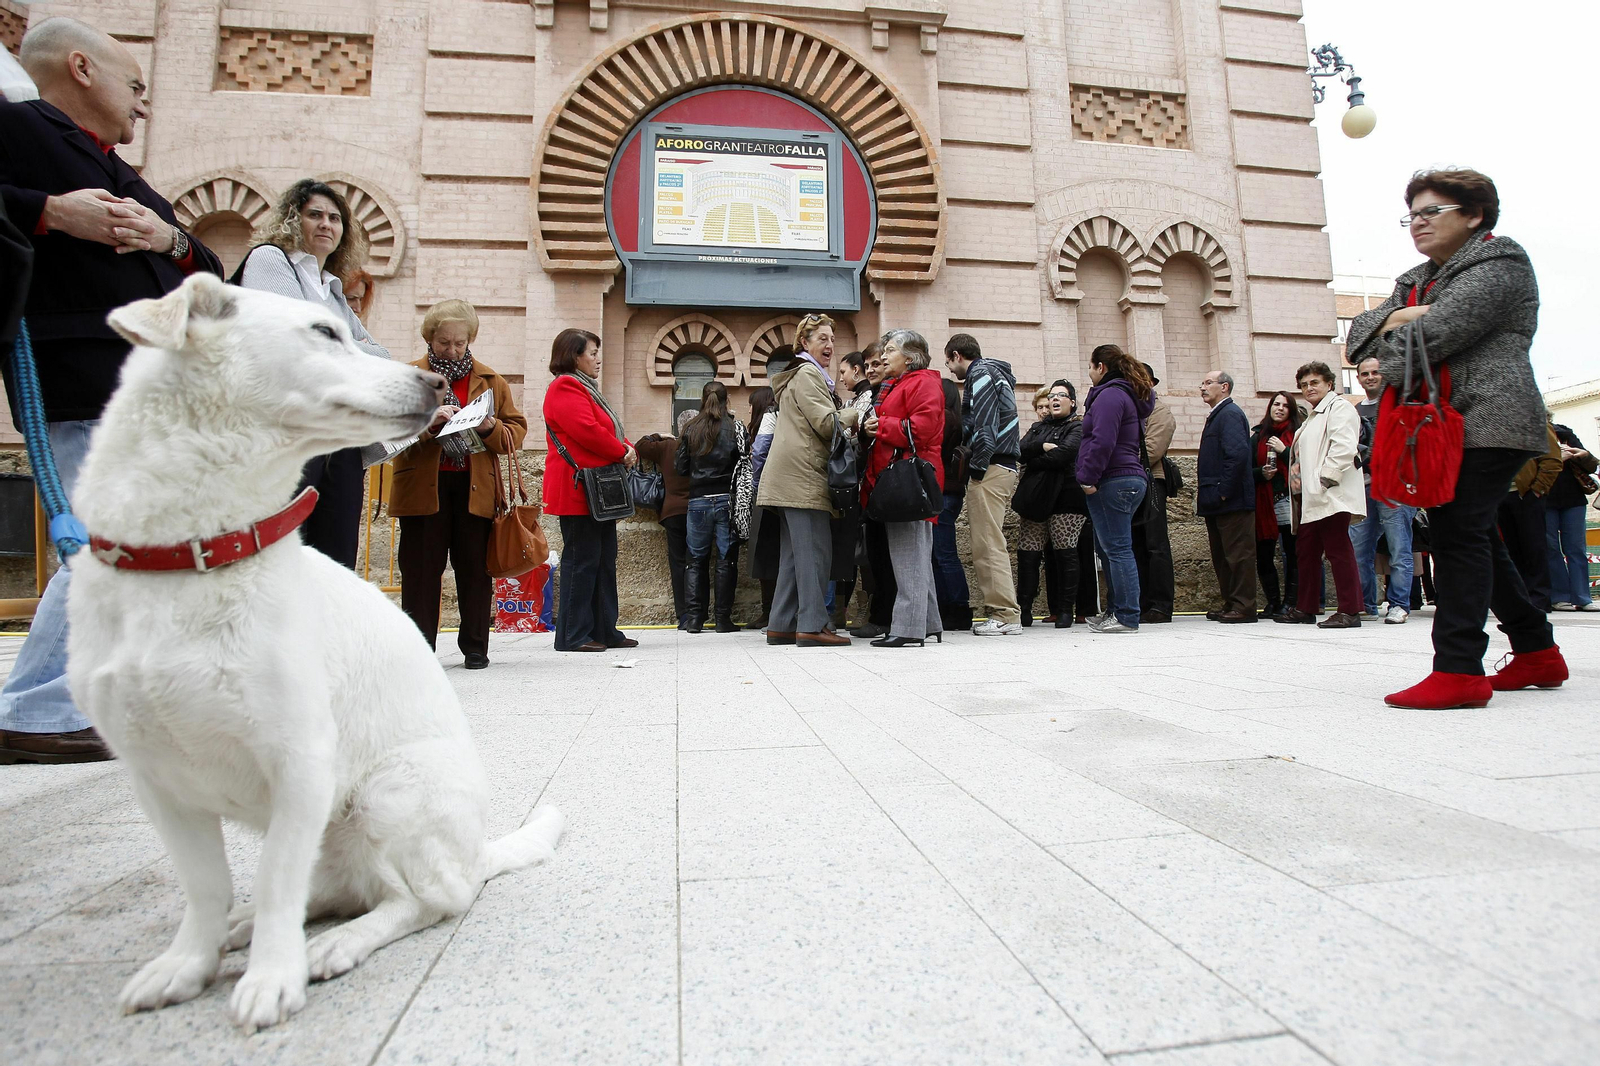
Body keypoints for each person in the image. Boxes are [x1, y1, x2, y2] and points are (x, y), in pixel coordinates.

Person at [0, 17, 224, 764]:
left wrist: (164, 239)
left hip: (141, 383)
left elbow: (206, 268)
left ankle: (83, 699)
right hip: (77, 373)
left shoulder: (119, 169)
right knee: (108, 540)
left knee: (133, 540)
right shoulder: (21, 131)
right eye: (136, 85)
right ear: (81, 69)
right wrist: (48, 212)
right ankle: (34, 708)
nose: (142, 104)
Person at [1347, 167, 1564, 708]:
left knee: (1459, 535)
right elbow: (1357, 341)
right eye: (1412, 214)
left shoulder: (1502, 261)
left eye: (1431, 212)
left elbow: (1436, 333)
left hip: (1491, 418)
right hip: (1440, 422)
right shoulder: (1415, 278)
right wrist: (1408, 318)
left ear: (1473, 215)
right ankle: (1537, 652)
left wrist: (1399, 327)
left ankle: (1459, 669)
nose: (1417, 223)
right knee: (1472, 534)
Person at [238, 178, 390, 569]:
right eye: (315, 215)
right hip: (288, 434)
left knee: (335, 561)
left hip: (338, 439)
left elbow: (383, 357)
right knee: (279, 554)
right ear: (293, 219)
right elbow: (294, 339)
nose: (326, 224)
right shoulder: (271, 260)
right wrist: (345, 351)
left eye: (335, 218)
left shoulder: (333, 289)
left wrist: (334, 346)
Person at [389, 300, 527, 669]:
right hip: (423, 488)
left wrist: (488, 426)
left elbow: (517, 431)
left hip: (474, 487)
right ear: (429, 339)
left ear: (470, 341)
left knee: (474, 571)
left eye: (459, 343)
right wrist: (427, 422)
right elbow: (388, 430)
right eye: (443, 342)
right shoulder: (408, 376)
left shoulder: (491, 380)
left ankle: (476, 648)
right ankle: (419, 651)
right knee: (420, 573)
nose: (451, 350)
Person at [755, 313, 859, 647]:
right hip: (802, 478)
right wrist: (859, 411)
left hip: (790, 477)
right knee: (815, 552)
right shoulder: (809, 374)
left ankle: (782, 625)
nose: (829, 345)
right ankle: (812, 625)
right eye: (822, 339)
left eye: (831, 339)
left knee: (793, 556)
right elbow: (827, 424)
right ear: (805, 343)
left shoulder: (800, 375)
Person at [542, 327, 640, 653]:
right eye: (593, 353)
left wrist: (627, 447)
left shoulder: (586, 388)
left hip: (596, 489)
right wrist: (620, 450)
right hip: (578, 488)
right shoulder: (565, 386)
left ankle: (603, 629)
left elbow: (607, 427)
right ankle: (573, 634)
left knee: (603, 560)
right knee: (582, 560)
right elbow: (587, 430)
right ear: (574, 356)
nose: (598, 360)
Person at [859, 330, 945, 647]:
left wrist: (880, 426)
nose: (883, 356)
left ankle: (908, 628)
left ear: (909, 357)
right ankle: (930, 622)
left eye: (891, 350)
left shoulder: (921, 382)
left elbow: (923, 429)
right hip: (907, 480)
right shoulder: (904, 383)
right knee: (916, 555)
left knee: (908, 557)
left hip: (910, 482)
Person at [944, 333, 1022, 635]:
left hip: (991, 467)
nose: (950, 369)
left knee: (987, 543)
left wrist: (975, 469)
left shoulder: (981, 374)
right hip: (1001, 466)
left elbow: (986, 426)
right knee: (989, 542)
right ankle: (1004, 612)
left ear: (956, 355)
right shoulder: (994, 373)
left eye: (949, 362)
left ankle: (1004, 614)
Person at [1276, 361, 1364, 629]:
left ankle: (1350, 610)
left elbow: (1344, 446)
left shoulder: (1339, 408)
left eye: (1314, 382)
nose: (1308, 388)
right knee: (1306, 551)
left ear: (1329, 384)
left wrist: (1326, 478)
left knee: (1338, 550)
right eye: (1304, 385)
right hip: (1312, 497)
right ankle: (1306, 607)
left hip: (1331, 494)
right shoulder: (1313, 418)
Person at [1075, 344, 1153, 634]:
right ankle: (1115, 611)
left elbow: (1102, 441)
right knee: (1112, 550)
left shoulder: (1109, 396)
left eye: (1091, 367)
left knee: (1118, 549)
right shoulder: (1127, 395)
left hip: (1113, 479)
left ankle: (1126, 615)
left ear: (1101, 367)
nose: (1089, 373)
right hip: (1127, 478)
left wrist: (1086, 477)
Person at [1349, 355, 1417, 623]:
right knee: (1358, 549)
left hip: (1395, 486)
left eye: (1375, 372)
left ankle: (1399, 605)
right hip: (1363, 487)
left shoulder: (1400, 404)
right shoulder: (1354, 411)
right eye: (1365, 374)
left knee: (1400, 548)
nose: (1370, 377)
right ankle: (1367, 604)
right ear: (1358, 379)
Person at [1015, 380, 1085, 628]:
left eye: (1061, 396)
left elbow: (1065, 454)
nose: (1055, 399)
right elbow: (1020, 450)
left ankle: (1065, 610)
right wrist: (1041, 447)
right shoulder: (1037, 427)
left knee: (1066, 554)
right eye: (1052, 395)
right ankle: (1024, 609)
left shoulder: (1077, 426)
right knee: (1028, 555)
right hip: (1036, 500)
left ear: (1072, 402)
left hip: (1066, 499)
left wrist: (1034, 460)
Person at [675, 381, 744, 634]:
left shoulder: (691, 427)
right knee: (726, 560)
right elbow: (744, 463)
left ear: (702, 400)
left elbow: (680, 467)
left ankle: (694, 619)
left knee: (695, 561)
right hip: (727, 499)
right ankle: (723, 619)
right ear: (727, 400)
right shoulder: (735, 427)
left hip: (698, 501)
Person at [1196, 369, 1257, 623]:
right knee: (1222, 556)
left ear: (1225, 387)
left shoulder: (1230, 414)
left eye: (1208, 382)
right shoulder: (1217, 416)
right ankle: (1231, 603)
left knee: (1238, 555)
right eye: (1202, 382)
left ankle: (1244, 606)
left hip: (1232, 501)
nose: (1202, 387)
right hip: (1216, 501)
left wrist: (1223, 492)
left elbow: (1237, 455)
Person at [635, 410, 696, 626]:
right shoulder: (703, 446)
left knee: (678, 563)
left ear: (679, 427)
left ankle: (685, 615)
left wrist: (660, 435)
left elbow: (640, 445)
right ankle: (699, 613)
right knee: (698, 562)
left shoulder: (669, 446)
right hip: (699, 511)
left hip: (672, 512)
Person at [1497, 422, 1561, 613]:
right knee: (1511, 550)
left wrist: (1537, 491)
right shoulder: (1493, 424)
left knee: (1534, 548)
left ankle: (1540, 599)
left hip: (1527, 495)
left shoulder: (1537, 421)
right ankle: (1521, 598)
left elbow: (1552, 460)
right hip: (1501, 496)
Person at [1249, 391, 1302, 618]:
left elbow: (1306, 465)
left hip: (1291, 501)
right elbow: (1245, 470)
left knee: (1293, 554)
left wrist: (1284, 451)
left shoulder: (1298, 434)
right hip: (1265, 502)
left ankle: (1290, 603)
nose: (1279, 408)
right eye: (1275, 404)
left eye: (1285, 405)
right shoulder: (1258, 435)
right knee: (1264, 554)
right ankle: (1272, 602)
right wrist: (1261, 474)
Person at [831, 350, 872, 631]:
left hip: (860, 481)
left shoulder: (867, 398)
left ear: (857, 370)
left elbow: (851, 436)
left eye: (844, 372)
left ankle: (865, 609)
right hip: (850, 482)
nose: (841, 378)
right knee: (847, 549)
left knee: (862, 551)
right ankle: (839, 610)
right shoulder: (853, 399)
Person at [1135, 363, 1176, 623]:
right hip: (1132, 482)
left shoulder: (1159, 411)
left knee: (1155, 544)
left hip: (1151, 482)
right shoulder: (1133, 410)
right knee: (1136, 545)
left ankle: (1161, 604)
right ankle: (1142, 602)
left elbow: (1151, 451)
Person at [932, 377, 972, 631]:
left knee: (943, 553)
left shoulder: (946, 418)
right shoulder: (956, 418)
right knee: (941, 553)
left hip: (944, 491)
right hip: (951, 492)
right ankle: (951, 606)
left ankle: (957, 606)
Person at [1547, 424, 1598, 611]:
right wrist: (1557, 459)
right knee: (1550, 548)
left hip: (1573, 498)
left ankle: (1583, 597)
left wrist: (1584, 455)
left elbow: (1591, 466)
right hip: (1544, 497)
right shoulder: (1529, 432)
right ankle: (1560, 597)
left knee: (1576, 548)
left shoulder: (1565, 434)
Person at [745, 387, 779, 629]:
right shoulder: (780, 415)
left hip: (767, 493)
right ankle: (773, 611)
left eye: (750, 404)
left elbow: (759, 454)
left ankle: (770, 612)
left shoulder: (768, 418)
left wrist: (757, 484)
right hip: (781, 490)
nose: (748, 409)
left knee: (766, 555)